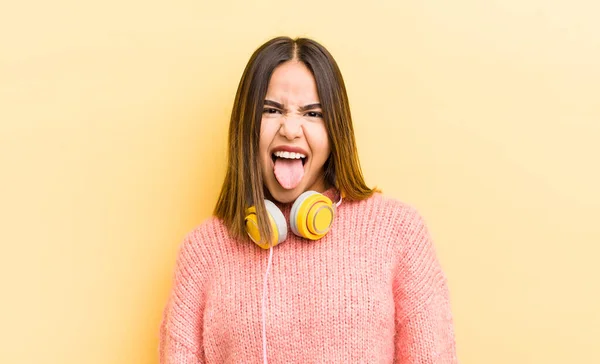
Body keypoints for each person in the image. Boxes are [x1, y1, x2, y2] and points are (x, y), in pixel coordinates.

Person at [159, 36, 458, 363]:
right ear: (246, 125)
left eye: (312, 113)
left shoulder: (398, 231)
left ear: (335, 130)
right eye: (271, 110)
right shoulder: (202, 252)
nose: (290, 128)